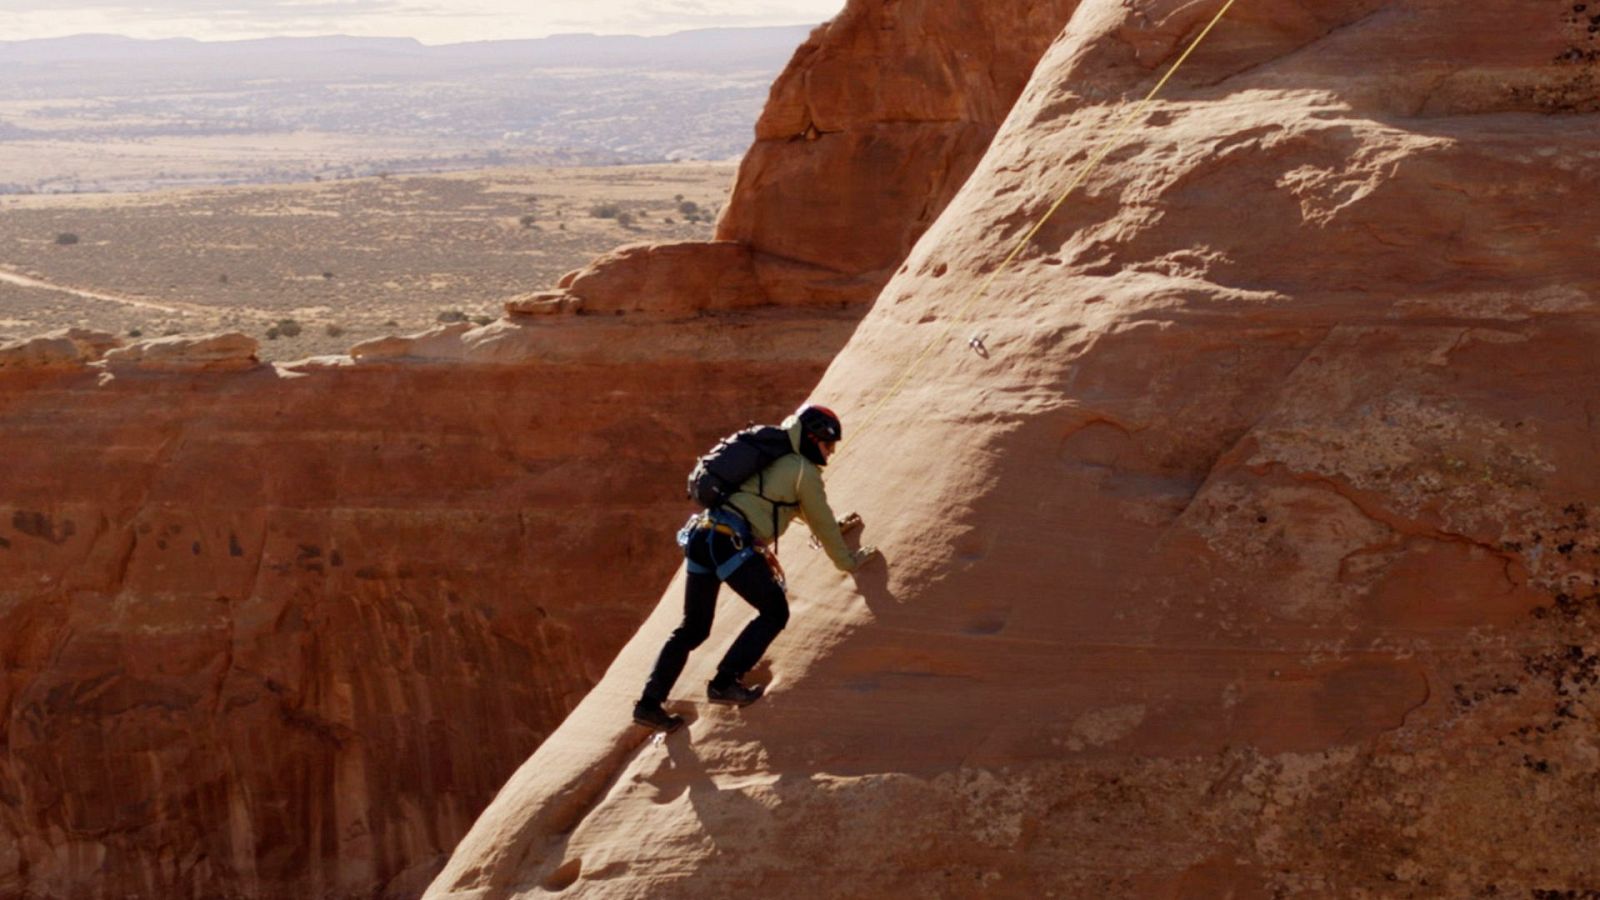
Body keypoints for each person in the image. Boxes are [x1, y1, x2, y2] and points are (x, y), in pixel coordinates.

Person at [632, 404, 878, 732]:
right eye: (827, 445)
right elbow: (816, 514)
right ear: (811, 439)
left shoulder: (776, 456)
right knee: (775, 611)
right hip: (729, 541)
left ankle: (649, 704)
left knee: (692, 628)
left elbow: (791, 507)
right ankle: (724, 682)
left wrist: (832, 526)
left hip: (703, 536)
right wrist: (848, 561)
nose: (830, 453)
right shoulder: (803, 469)